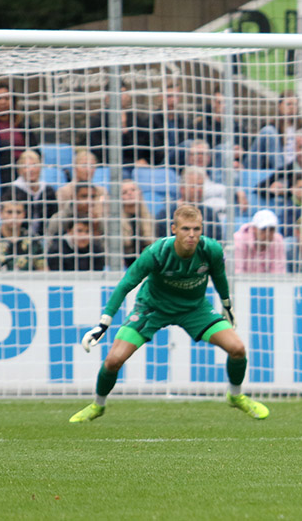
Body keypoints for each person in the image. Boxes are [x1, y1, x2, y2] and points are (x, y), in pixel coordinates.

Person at [69, 204, 269, 422]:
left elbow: (219, 277)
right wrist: (103, 324)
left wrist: (227, 306)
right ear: (174, 229)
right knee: (113, 361)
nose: (191, 235)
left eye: (196, 229)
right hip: (153, 308)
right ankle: (98, 405)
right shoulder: (157, 252)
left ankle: (236, 395)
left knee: (237, 348)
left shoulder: (211, 250)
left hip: (194, 308)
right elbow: (125, 284)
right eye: (185, 229)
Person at [86, 84, 157, 171]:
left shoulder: (135, 119)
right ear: (107, 98)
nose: (121, 97)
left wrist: (126, 130)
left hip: (139, 167)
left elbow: (145, 145)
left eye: (123, 93)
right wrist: (130, 163)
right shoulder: (98, 121)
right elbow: (99, 152)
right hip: (110, 168)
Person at [0, 195, 47, 272]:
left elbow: (43, 270)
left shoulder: (32, 240)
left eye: (18, 212)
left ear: (24, 215)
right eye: (9, 212)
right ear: (1, 214)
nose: (14, 216)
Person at [156, 166, 221, 240]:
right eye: (193, 186)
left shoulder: (210, 214)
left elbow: (218, 243)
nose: (198, 190)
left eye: (200, 186)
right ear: (182, 189)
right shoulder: (166, 214)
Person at [6, 149, 58, 236]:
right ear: (19, 170)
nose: (31, 170)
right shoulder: (12, 191)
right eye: (26, 166)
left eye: (34, 165)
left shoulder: (48, 191)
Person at [247, 91, 300, 170]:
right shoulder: (272, 126)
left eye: (295, 104)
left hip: (294, 166)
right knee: (268, 131)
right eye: (288, 104)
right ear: (279, 106)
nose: (292, 107)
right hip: (270, 167)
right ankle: (281, 173)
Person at [232, 209, 287, 274]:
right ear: (254, 228)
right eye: (264, 229)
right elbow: (237, 272)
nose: (267, 234)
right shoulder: (239, 240)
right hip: (243, 282)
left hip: (269, 283)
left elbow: (279, 271)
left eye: (271, 229)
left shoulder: (277, 240)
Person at [120, 179, 155, 268]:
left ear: (140, 193)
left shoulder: (151, 220)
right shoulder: (114, 223)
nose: (130, 193)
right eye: (124, 192)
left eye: (133, 190)